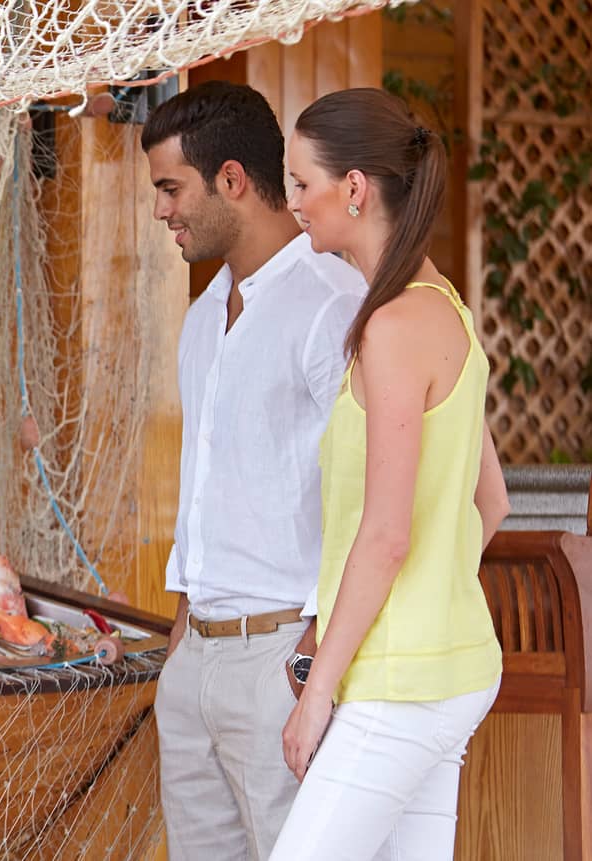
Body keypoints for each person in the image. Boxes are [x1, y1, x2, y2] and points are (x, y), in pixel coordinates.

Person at [271, 88, 508, 860]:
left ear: (355, 188)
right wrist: (430, 600)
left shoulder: (394, 326)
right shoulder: (443, 311)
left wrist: (317, 692)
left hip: (403, 684)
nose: (293, 201)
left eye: (302, 182)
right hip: (445, 667)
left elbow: (384, 536)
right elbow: (491, 501)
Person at [141, 80, 367, 859]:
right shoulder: (203, 317)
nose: (162, 210)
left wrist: (311, 657)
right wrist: (181, 645)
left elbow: (370, 495)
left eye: (171, 189)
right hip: (195, 660)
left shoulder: (331, 300)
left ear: (231, 179)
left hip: (282, 662)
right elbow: (208, 496)